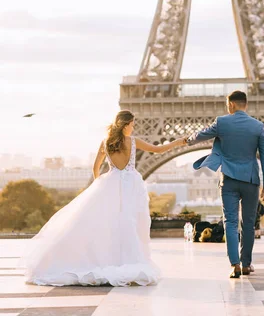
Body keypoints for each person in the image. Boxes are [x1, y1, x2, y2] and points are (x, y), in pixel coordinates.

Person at [22, 110, 186, 286]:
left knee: (108, 222)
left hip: (111, 182)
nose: (134, 127)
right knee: (129, 222)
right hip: (131, 184)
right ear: (126, 125)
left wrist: (100, 183)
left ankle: (106, 258)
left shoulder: (106, 143)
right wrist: (179, 141)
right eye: (132, 124)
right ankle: (127, 259)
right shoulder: (133, 142)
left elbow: (96, 167)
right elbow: (158, 149)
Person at [185, 90, 264, 279]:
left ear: (231, 104)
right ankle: (247, 263)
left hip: (229, 180)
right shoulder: (257, 126)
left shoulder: (222, 122)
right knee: (248, 224)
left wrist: (188, 140)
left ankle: (234, 265)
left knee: (230, 223)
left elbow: (201, 135)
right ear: (245, 105)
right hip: (250, 181)